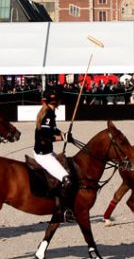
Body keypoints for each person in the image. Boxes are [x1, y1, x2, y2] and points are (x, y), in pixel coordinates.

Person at [33, 87, 76, 222]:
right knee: (67, 180)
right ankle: (63, 211)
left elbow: (53, 129)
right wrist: (62, 138)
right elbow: (45, 136)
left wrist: (64, 134)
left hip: (46, 151)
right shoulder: (48, 114)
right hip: (43, 154)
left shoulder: (48, 112)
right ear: (56, 101)